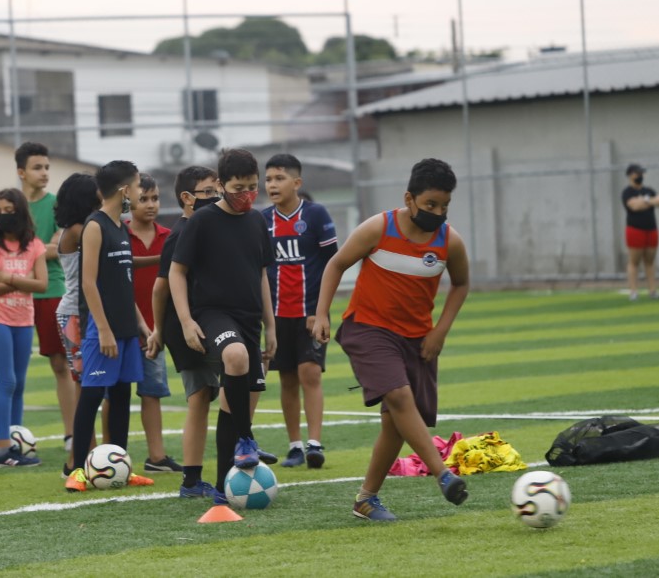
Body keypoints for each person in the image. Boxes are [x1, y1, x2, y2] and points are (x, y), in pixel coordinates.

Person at [313, 157, 470, 522]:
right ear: (409, 198)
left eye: (444, 206)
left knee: (394, 423)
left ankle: (366, 499)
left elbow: (461, 284)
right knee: (399, 397)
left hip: (417, 340)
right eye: (430, 204)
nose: (437, 212)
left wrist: (439, 331)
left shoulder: (450, 242)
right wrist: (322, 313)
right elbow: (336, 264)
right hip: (368, 329)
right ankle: (443, 475)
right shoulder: (378, 228)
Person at [169, 148, 276, 504]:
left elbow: (261, 275)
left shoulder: (257, 221)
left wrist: (271, 326)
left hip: (249, 319)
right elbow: (176, 272)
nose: (246, 194)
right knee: (235, 355)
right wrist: (186, 321)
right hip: (212, 314)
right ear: (220, 185)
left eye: (252, 187)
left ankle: (221, 490)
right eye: (237, 188)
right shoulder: (202, 221)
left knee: (235, 401)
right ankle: (247, 439)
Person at [65, 160, 154, 493]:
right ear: (125, 190)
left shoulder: (121, 227)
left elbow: (123, 284)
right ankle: (76, 471)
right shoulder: (95, 225)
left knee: (121, 395)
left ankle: (121, 468)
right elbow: (89, 283)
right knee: (91, 396)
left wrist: (142, 325)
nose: (140, 191)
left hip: (127, 329)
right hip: (101, 330)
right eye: (138, 185)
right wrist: (103, 329)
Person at [145, 164, 224, 498]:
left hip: (204, 324)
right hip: (185, 328)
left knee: (208, 395)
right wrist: (159, 331)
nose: (216, 197)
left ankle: (204, 473)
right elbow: (160, 288)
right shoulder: (181, 234)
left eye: (217, 191)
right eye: (208, 192)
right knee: (200, 396)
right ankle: (193, 479)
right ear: (188, 198)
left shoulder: (206, 228)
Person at [262, 153, 338, 469]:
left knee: (310, 372)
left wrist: (321, 312)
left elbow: (333, 264)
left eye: (279, 178)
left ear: (296, 183)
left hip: (311, 313)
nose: (272, 185)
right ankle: (295, 446)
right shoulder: (262, 220)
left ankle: (314, 444)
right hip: (277, 316)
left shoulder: (316, 215)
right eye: (268, 179)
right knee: (288, 378)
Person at [16, 141, 78, 466]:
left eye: (47, 167)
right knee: (13, 372)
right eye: (37, 167)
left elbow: (59, 248)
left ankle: (72, 433)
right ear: (21, 172)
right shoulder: (12, 205)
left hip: (51, 291)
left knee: (60, 364)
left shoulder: (55, 204)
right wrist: (40, 250)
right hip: (15, 295)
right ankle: (7, 437)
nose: (44, 173)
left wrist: (25, 255)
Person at [0, 187, 48, 467]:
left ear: (20, 211)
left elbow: (42, 284)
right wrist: (23, 280)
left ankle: (15, 441)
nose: (3, 215)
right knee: (6, 382)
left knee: (19, 385)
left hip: (23, 320)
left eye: (9, 210)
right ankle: (2, 450)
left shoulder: (35, 245)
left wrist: (8, 277)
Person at [126, 173, 181, 473]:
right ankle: (113, 454)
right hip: (124, 328)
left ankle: (156, 457)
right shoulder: (119, 235)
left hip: (155, 330)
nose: (150, 205)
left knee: (152, 392)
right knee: (116, 394)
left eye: (155, 198)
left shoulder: (169, 236)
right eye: (143, 199)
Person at [54, 172, 101, 474]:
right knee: (85, 385)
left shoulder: (84, 228)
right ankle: (77, 459)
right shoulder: (78, 230)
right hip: (75, 314)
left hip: (84, 313)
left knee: (90, 385)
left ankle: (89, 454)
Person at [622, 163, 659, 302]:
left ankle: (652, 291)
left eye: (641, 173)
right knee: (634, 261)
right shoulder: (627, 192)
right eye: (637, 173)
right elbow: (634, 206)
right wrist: (650, 201)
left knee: (650, 261)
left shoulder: (649, 190)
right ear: (631, 175)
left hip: (651, 229)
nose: (640, 176)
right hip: (635, 230)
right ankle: (633, 291)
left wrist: (645, 200)